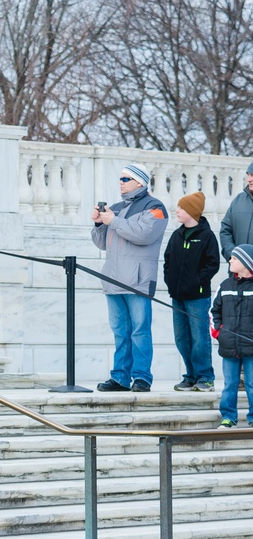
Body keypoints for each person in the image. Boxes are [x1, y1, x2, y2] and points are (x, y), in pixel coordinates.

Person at [91, 163, 168, 393]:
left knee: (140, 331)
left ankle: (142, 377)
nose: (121, 183)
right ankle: (120, 377)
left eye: (125, 179)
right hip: (113, 279)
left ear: (140, 183)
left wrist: (112, 221)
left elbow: (143, 235)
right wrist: (98, 223)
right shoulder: (116, 208)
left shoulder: (155, 208)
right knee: (120, 331)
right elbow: (102, 243)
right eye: (120, 179)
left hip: (138, 280)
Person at [163, 191, 219, 392]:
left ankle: (205, 377)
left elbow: (213, 264)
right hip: (177, 296)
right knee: (182, 338)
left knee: (199, 338)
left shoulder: (207, 236)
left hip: (197, 297)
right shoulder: (177, 235)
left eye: (181, 208)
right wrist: (170, 281)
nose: (177, 211)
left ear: (192, 212)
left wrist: (197, 281)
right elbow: (168, 260)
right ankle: (191, 376)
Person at [211, 245, 253, 428]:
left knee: (252, 384)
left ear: (246, 263)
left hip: (251, 348)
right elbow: (214, 311)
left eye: (234, 259)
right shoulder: (225, 285)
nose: (230, 261)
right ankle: (228, 417)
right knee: (230, 384)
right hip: (229, 346)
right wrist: (218, 332)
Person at [219, 160, 253, 261]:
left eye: (252, 175)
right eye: (248, 175)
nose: (249, 179)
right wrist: (234, 256)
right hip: (238, 271)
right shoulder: (238, 200)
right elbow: (225, 230)